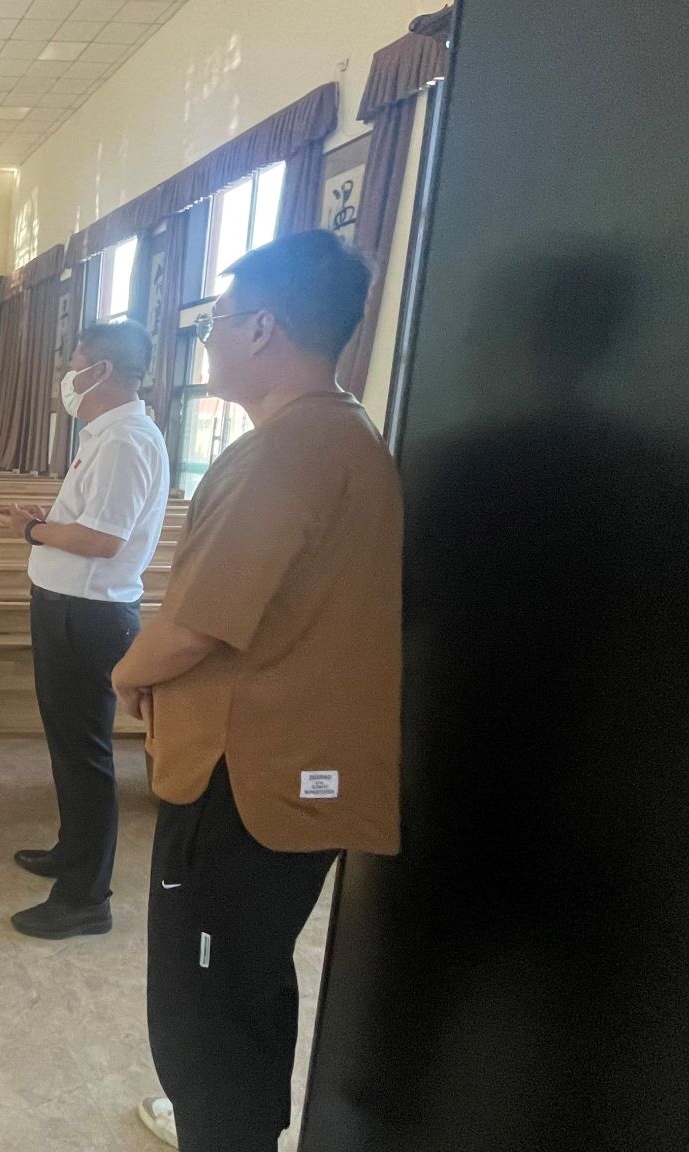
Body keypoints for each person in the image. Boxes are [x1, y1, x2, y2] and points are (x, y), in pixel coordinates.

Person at [112, 229, 400, 1152]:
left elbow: (195, 624)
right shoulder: (346, 433)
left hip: (246, 780)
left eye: (218, 323)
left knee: (205, 1007)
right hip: (291, 766)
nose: (209, 342)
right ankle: (235, 1128)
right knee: (247, 978)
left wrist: (125, 671)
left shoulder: (284, 450)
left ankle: (221, 1130)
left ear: (264, 328)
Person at [0, 320, 170, 939]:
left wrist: (31, 530)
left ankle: (86, 898)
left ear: (101, 371)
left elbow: (103, 540)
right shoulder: (104, 435)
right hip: (68, 604)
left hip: (89, 613)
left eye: (74, 364)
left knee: (86, 754)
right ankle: (72, 851)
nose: (67, 377)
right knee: (68, 746)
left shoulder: (125, 440)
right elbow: (91, 522)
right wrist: (49, 521)